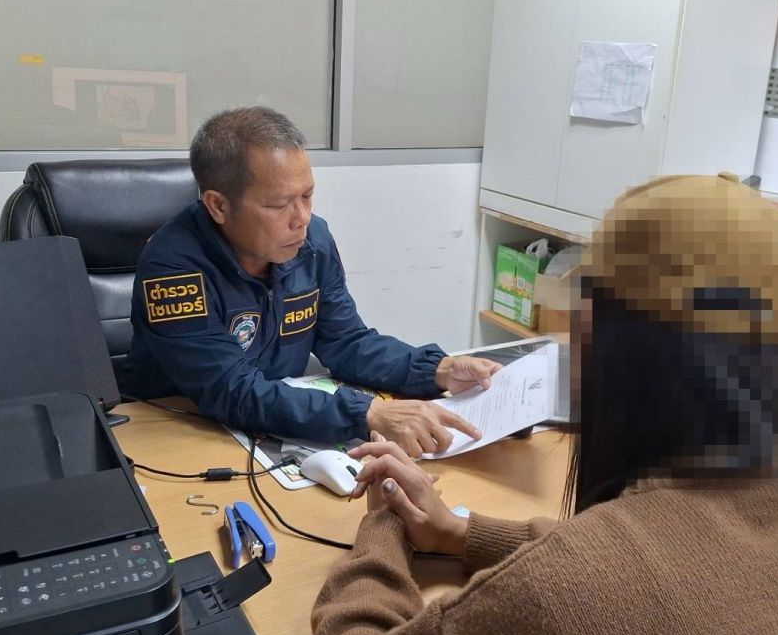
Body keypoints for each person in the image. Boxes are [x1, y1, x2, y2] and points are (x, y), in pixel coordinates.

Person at [306, 174, 778, 635]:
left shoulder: (567, 595)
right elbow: (692, 562)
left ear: (604, 343)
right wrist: (460, 533)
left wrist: (384, 526)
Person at [121, 107, 500, 455]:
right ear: (218, 206)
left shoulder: (312, 242)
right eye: (278, 205)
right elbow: (229, 389)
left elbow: (346, 341)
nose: (301, 218)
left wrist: (436, 370)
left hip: (275, 421)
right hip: (180, 430)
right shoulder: (173, 270)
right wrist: (366, 412)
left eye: (307, 196)